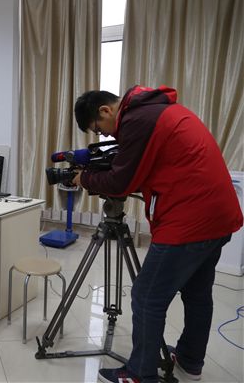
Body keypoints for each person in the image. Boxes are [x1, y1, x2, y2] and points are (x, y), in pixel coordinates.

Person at [71, 86, 243, 383]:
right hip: (219, 215)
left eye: (99, 129)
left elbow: (121, 181)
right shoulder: (156, 110)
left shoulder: (137, 120)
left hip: (189, 220)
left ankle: (140, 374)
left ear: (105, 110)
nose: (106, 136)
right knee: (197, 294)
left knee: (146, 296)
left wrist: (85, 178)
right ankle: (190, 361)